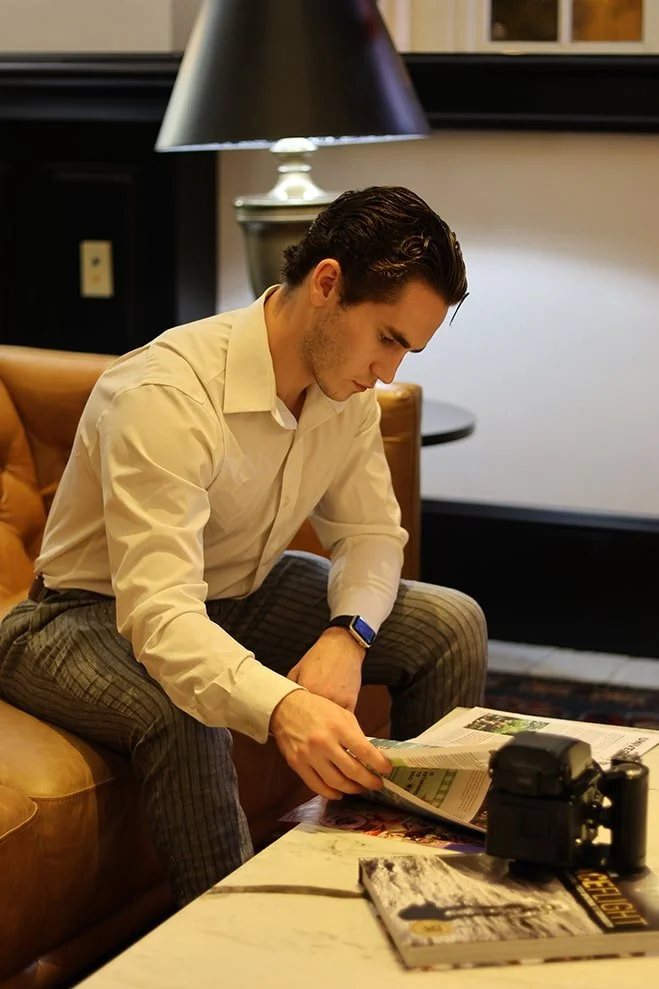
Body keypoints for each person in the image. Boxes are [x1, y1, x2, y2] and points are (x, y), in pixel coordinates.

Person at [0, 185, 487, 907]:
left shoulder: (345, 392)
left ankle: (410, 889)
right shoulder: (165, 394)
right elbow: (162, 617)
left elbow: (370, 533)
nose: (389, 373)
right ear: (327, 283)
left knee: (450, 623)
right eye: (387, 338)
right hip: (77, 618)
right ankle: (234, 944)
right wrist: (285, 705)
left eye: (407, 350)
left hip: (235, 594)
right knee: (185, 708)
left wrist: (348, 633)